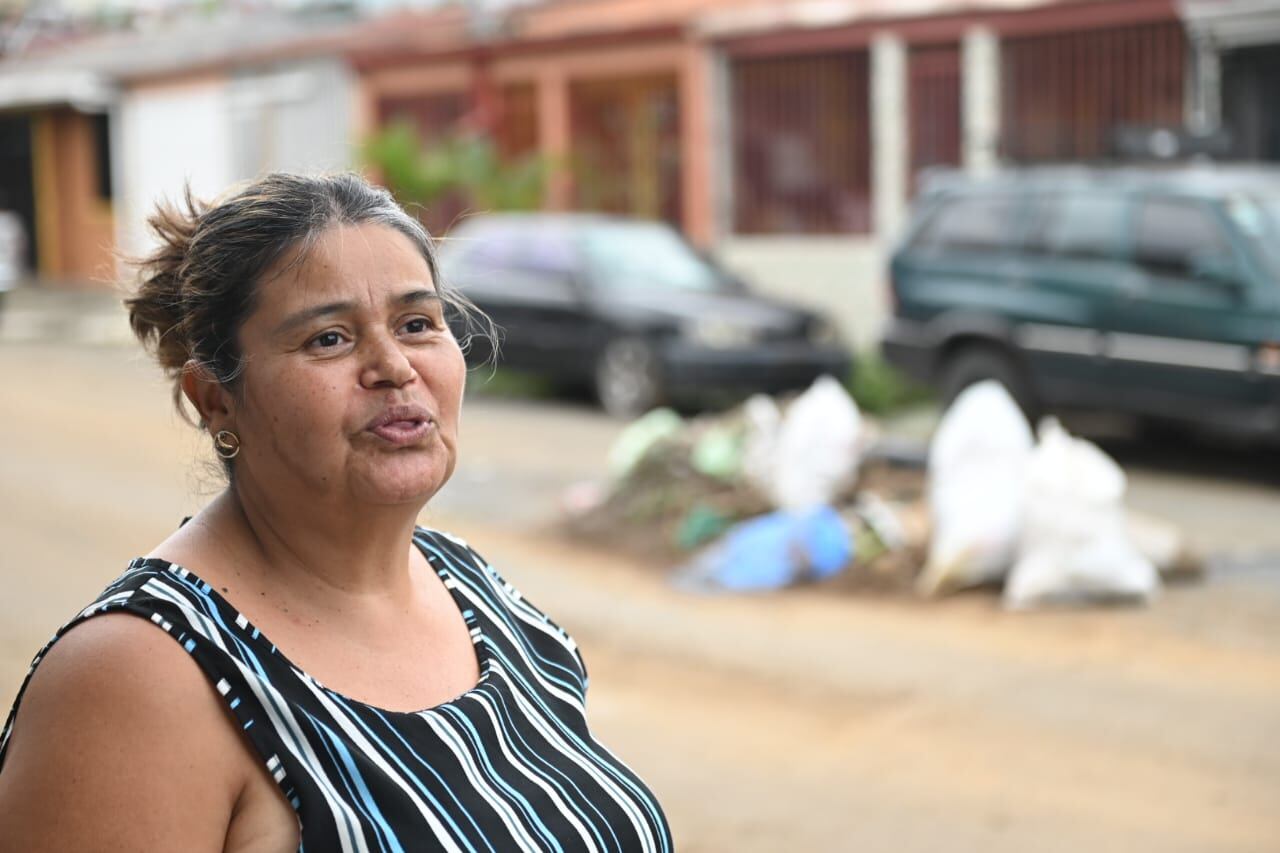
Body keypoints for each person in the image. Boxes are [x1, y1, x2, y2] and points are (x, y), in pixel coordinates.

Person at [0, 172, 672, 852]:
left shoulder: (476, 590)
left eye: (417, 324)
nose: (394, 367)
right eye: (329, 338)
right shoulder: (138, 679)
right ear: (215, 399)